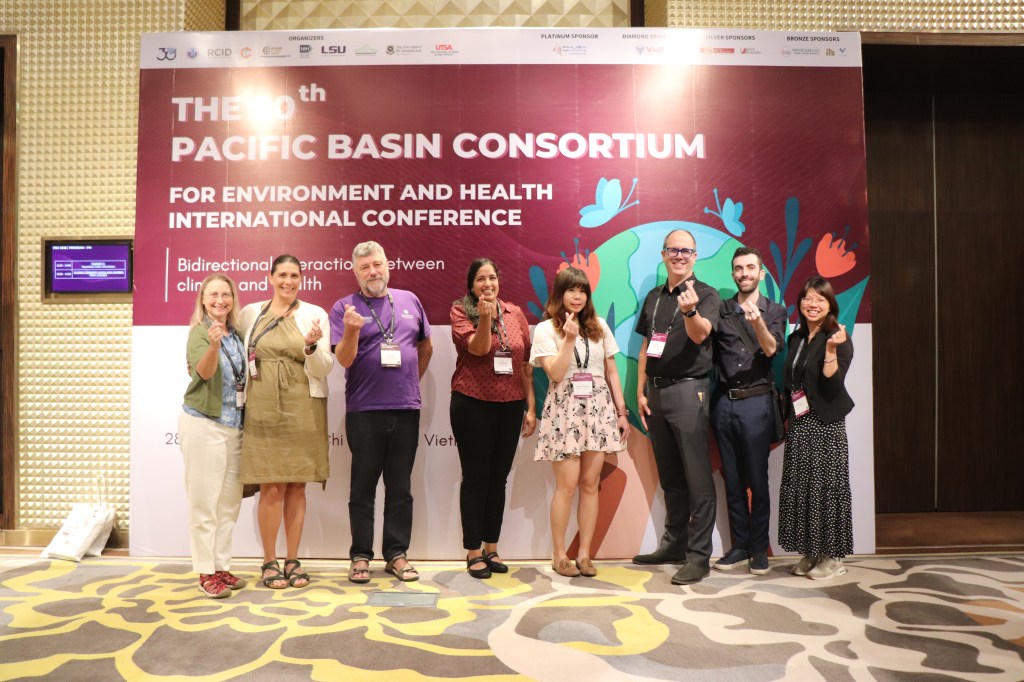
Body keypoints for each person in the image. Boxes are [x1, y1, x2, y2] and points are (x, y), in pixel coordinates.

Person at [331, 241, 432, 583]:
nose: (372, 272)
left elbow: (426, 345)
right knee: (362, 488)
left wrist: (409, 381)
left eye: (377, 264)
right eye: (365, 267)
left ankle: (397, 554)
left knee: (400, 487)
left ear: (387, 265)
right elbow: (344, 359)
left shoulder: (410, 300)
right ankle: (360, 556)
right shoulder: (344, 308)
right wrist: (351, 330)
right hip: (364, 411)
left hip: (405, 408)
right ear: (355, 272)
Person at [633, 229, 721, 585]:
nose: (679, 256)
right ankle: (674, 545)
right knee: (670, 477)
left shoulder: (707, 294)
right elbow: (645, 348)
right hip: (655, 394)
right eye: (673, 250)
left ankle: (699, 557)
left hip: (689, 391)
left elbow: (700, 334)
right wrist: (640, 391)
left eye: (686, 251)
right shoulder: (654, 296)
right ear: (663, 254)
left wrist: (690, 311)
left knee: (698, 478)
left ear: (695, 256)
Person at [240, 255, 332, 590]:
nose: (288, 281)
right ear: (270, 277)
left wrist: (311, 347)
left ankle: (293, 560)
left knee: (296, 485)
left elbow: (324, 367)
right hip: (261, 404)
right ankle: (269, 561)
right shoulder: (250, 313)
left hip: (304, 403)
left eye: (294, 275)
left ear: (301, 279)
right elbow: (239, 357)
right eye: (282, 275)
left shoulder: (315, 314)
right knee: (270, 485)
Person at [530, 266, 630, 578]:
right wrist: (569, 339)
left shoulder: (599, 325)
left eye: (582, 290)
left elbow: (611, 371)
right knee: (567, 486)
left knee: (589, 484)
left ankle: (585, 555)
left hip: (598, 409)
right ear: (560, 294)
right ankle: (559, 555)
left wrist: (622, 412)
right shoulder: (546, 329)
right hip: (565, 411)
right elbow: (555, 373)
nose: (577, 296)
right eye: (571, 290)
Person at [450, 258, 536, 579]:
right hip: (472, 402)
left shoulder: (515, 313)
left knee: (498, 479)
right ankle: (473, 551)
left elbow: (525, 364)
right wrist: (485, 317)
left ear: (499, 281)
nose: (488, 283)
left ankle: (492, 547)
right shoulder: (461, 310)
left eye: (492, 278)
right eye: (481, 279)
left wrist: (530, 407)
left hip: (510, 405)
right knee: (476, 478)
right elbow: (478, 349)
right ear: (471, 286)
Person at [710, 247, 787, 575]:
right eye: (739, 268)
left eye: (750, 268)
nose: (744, 273)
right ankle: (739, 546)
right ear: (733, 274)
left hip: (757, 404)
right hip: (723, 403)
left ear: (761, 273)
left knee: (758, 479)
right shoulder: (721, 310)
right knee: (732, 480)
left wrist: (757, 324)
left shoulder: (775, 311)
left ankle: (759, 549)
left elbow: (771, 349)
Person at [778, 276, 855, 580]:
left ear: (830, 305)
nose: (813, 304)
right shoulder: (796, 338)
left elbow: (833, 386)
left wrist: (832, 350)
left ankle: (833, 558)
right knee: (803, 488)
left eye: (820, 299)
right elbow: (792, 381)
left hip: (826, 425)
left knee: (826, 490)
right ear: (799, 302)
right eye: (808, 298)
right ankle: (812, 552)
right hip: (800, 424)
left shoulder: (837, 337)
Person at [179, 274, 247, 598]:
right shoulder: (199, 333)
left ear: (233, 299)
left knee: (228, 505)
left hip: (235, 427)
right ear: (203, 300)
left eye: (226, 294)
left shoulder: (238, 334)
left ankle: (221, 566)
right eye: (213, 295)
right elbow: (204, 372)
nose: (220, 300)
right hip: (205, 424)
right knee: (204, 504)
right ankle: (205, 571)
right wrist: (214, 345)